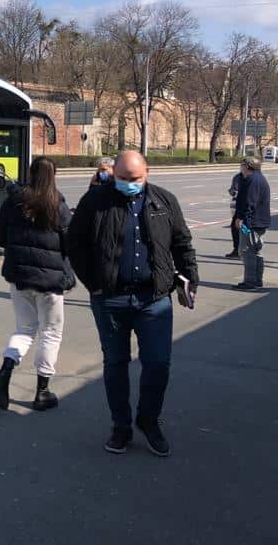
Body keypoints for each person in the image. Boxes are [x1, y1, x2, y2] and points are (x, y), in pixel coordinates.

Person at [67, 150, 199, 457]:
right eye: (123, 178)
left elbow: (182, 242)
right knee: (115, 364)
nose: (129, 184)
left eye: (135, 179)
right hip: (110, 298)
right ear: (114, 174)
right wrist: (95, 283)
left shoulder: (164, 201)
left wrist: (190, 277)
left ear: (147, 173)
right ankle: (121, 427)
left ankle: (148, 420)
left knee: (158, 363)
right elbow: (75, 244)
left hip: (153, 299)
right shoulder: (96, 201)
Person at [0, 157, 75, 412]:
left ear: (30, 173)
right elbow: (69, 243)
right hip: (50, 282)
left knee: (25, 329)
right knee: (50, 333)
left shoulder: (13, 201)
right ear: (54, 176)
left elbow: (1, 237)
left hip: (19, 276)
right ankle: (42, 391)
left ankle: (5, 371)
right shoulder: (58, 205)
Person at [234, 157, 271, 290]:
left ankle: (250, 282)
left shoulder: (253, 180)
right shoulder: (256, 178)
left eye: (242, 164)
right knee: (256, 251)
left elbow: (250, 203)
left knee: (247, 250)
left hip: (251, 223)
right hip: (257, 222)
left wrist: (241, 219)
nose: (241, 167)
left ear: (248, 166)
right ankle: (256, 281)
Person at [226, 162, 246, 258]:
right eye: (241, 166)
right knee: (235, 227)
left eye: (243, 166)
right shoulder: (237, 177)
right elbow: (233, 190)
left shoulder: (252, 178)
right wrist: (233, 192)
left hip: (246, 208)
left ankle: (246, 249)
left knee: (245, 229)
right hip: (236, 206)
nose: (242, 168)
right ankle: (237, 249)